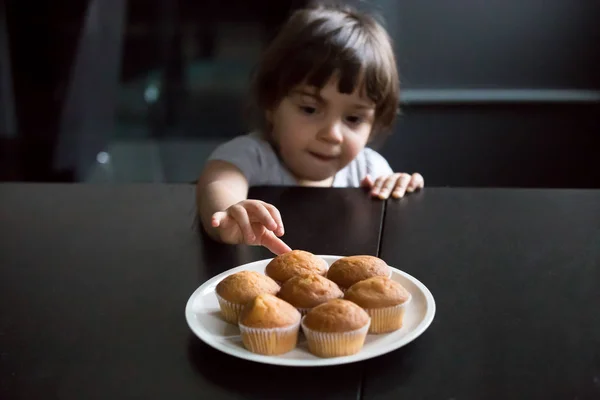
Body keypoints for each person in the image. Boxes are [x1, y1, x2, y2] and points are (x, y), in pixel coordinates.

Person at [196, 4, 424, 255]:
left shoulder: (369, 170)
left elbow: (388, 225)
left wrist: (399, 190)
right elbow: (218, 182)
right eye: (310, 109)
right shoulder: (253, 155)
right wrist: (231, 212)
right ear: (272, 103)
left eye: (353, 118)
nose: (332, 134)